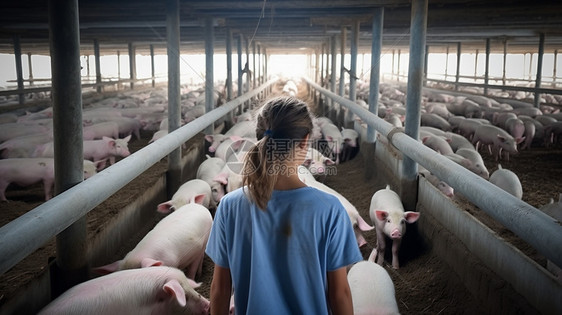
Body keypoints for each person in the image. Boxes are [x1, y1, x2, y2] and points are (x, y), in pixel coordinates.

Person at [205, 96, 362, 315]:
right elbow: (339, 294)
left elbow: (220, 289)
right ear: (305, 142)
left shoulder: (229, 206)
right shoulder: (330, 209)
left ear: (259, 137)